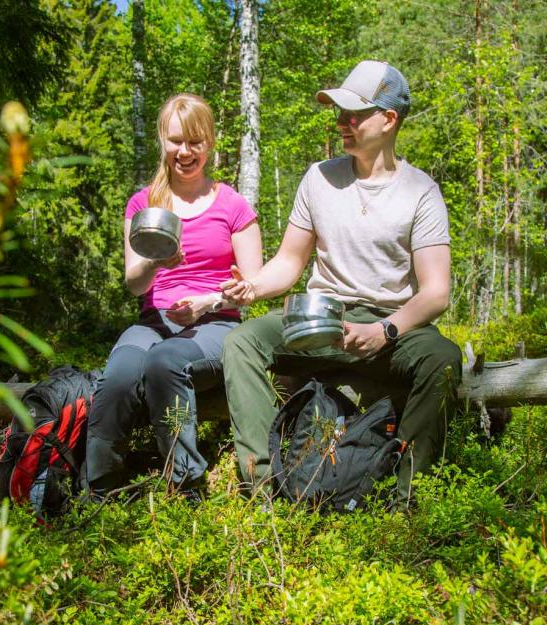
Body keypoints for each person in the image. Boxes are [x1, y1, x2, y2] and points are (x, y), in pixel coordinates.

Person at [220, 60, 462, 505]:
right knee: (242, 342)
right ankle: (263, 488)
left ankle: (407, 496)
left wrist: (385, 330)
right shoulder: (320, 178)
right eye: (339, 112)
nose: (341, 122)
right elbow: (289, 262)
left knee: (443, 358)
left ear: (388, 119)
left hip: (392, 326)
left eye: (354, 114)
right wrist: (252, 287)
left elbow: (436, 292)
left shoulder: (421, 192)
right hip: (323, 319)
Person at [84, 93, 263, 500]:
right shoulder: (143, 204)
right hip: (154, 321)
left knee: (165, 362)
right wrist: (156, 262)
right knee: (120, 374)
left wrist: (209, 301)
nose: (185, 152)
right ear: (162, 141)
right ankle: (100, 489)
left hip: (216, 323)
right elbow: (135, 284)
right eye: (176, 141)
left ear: (210, 143)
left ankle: (185, 486)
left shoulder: (233, 206)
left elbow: (251, 286)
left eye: (195, 142)